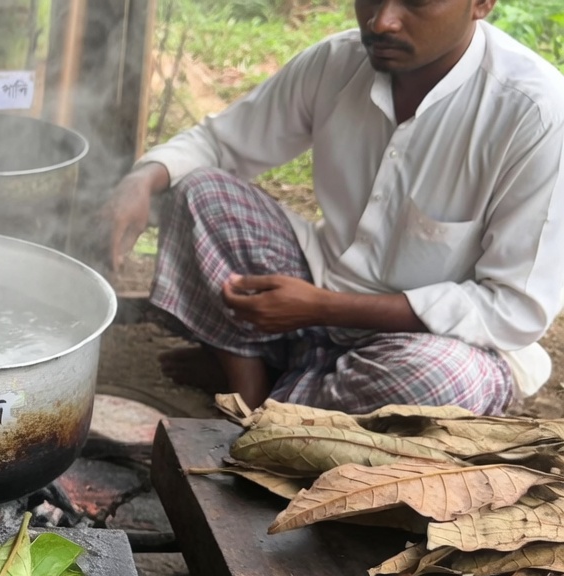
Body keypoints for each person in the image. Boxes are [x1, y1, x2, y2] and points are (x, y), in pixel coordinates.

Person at [104, 0, 564, 413]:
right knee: (200, 192)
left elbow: (512, 308)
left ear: (481, 3)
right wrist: (142, 179)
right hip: (314, 290)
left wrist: (324, 308)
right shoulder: (336, 62)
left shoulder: (535, 114)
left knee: (438, 383)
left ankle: (273, 405)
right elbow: (219, 143)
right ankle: (255, 395)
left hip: (435, 342)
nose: (382, 20)